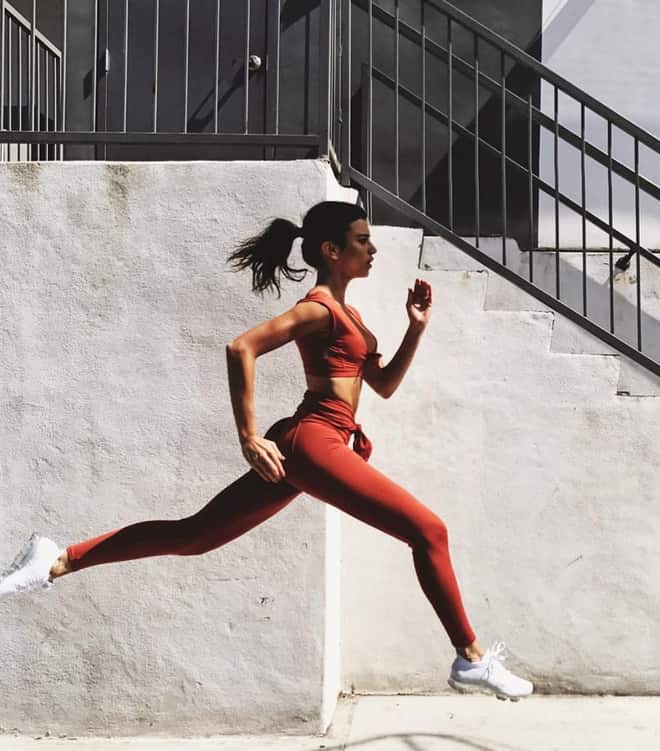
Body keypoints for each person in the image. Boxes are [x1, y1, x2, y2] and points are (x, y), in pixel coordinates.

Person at [0, 201, 533, 701]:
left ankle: (58, 559)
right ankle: (470, 657)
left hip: (315, 441)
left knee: (194, 536)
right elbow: (242, 347)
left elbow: (385, 385)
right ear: (331, 250)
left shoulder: (354, 322)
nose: (372, 251)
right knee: (429, 531)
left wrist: (415, 331)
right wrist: (248, 438)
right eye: (362, 241)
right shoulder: (318, 309)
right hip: (312, 442)